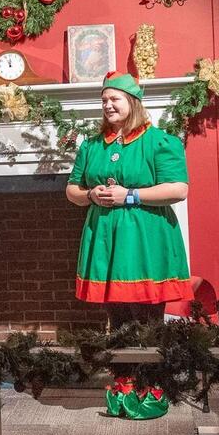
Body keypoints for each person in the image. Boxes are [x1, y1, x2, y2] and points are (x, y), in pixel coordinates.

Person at [66, 71, 192, 330]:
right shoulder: (92, 146)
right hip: (105, 238)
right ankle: (123, 371)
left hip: (145, 238)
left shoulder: (159, 142)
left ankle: (150, 371)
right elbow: (72, 190)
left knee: (148, 321)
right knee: (118, 318)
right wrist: (90, 195)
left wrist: (130, 195)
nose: (107, 105)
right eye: (103, 100)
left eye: (114, 99)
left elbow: (178, 189)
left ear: (133, 101)